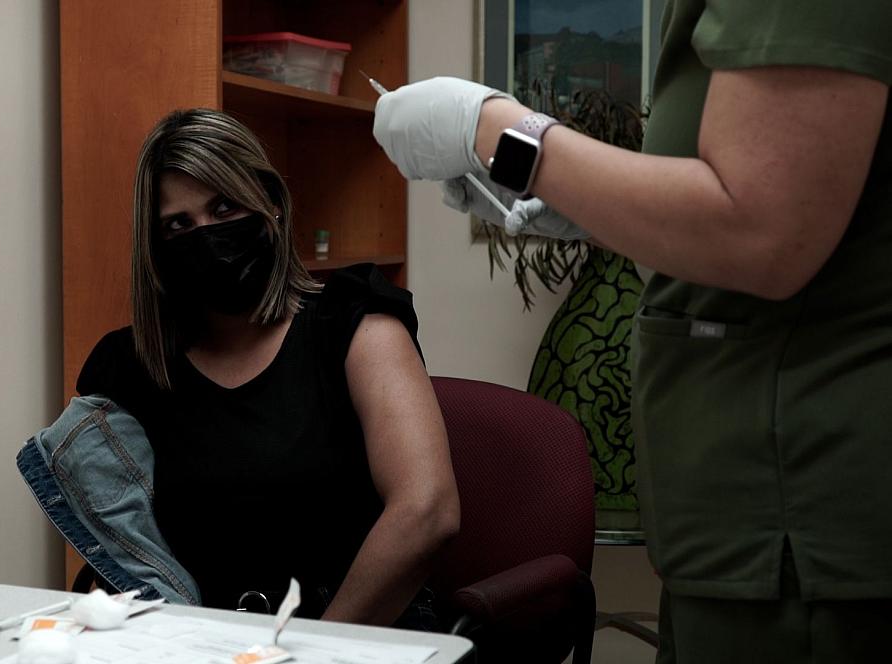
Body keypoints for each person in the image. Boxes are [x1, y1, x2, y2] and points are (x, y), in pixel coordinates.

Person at [371, 1, 892, 661]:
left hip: (805, 529)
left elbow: (762, 231)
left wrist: (503, 132)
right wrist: (586, 211)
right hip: (747, 529)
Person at [75, 108, 459, 629]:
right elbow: (112, 550)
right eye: (178, 225)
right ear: (157, 248)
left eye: (225, 207)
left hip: (354, 635)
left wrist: (308, 653)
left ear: (272, 205)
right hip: (194, 641)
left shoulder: (355, 327)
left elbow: (427, 512)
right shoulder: (126, 368)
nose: (206, 236)